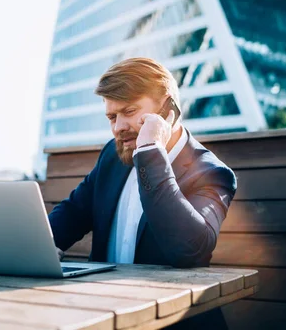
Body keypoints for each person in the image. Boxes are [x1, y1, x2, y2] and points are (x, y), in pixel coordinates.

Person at [48, 57, 237, 329]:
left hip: (173, 321)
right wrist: (39, 246)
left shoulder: (211, 173)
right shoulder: (112, 157)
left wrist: (151, 152)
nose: (118, 127)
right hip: (103, 313)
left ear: (167, 109)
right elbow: (73, 212)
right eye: (112, 117)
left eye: (129, 111)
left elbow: (189, 251)